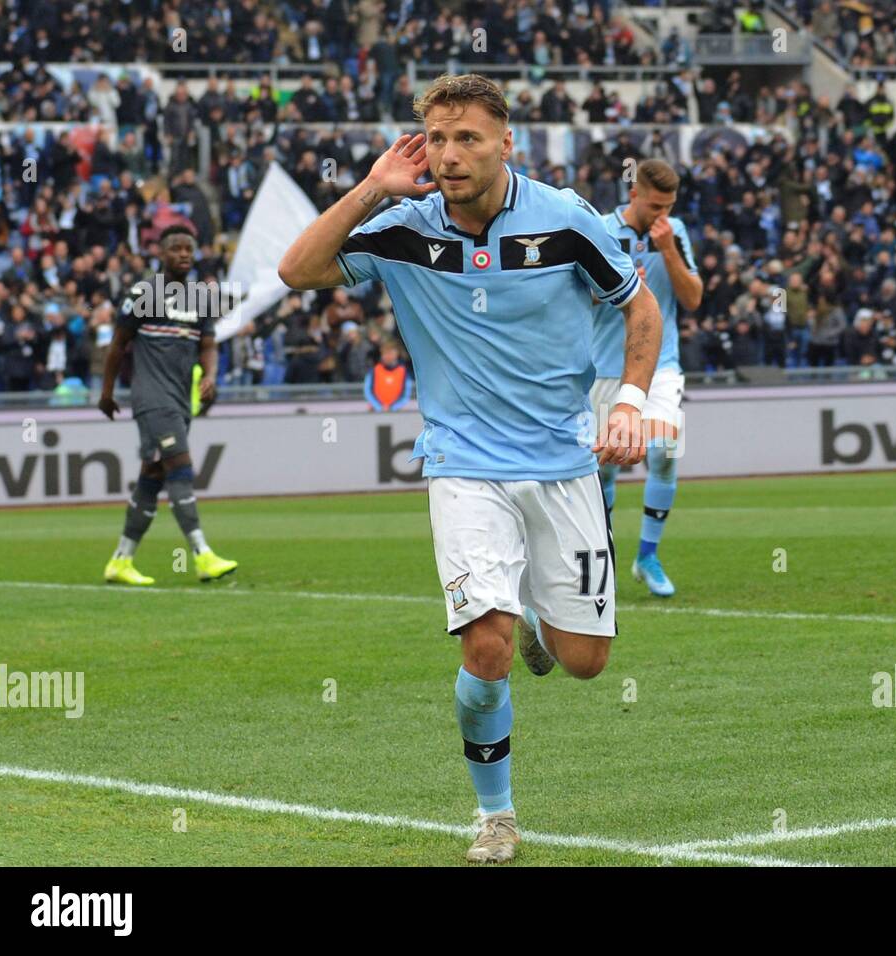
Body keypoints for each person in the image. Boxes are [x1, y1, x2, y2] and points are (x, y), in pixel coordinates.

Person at [276, 74, 662, 864]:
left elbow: (640, 307)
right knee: (486, 644)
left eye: (468, 139)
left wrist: (627, 402)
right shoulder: (403, 227)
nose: (451, 156)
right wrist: (369, 191)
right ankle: (497, 814)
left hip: (563, 462)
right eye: (438, 139)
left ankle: (535, 602)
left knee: (586, 663)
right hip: (463, 465)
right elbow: (297, 271)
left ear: (506, 142)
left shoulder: (567, 221)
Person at [99, 224, 238, 585]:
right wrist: (107, 392)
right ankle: (201, 554)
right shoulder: (145, 293)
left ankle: (121, 560)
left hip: (180, 399)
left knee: (153, 476)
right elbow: (117, 345)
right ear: (161, 254)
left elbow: (208, 345)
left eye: (189, 248)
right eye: (175, 248)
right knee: (181, 467)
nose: (184, 254)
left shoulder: (202, 298)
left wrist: (209, 376)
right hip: (151, 397)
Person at [590, 158, 702, 599]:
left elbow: (692, 298)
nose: (662, 214)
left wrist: (670, 249)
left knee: (665, 449)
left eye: (669, 206)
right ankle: (608, 558)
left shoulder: (675, 232)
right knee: (604, 468)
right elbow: (575, 295)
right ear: (633, 194)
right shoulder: (598, 229)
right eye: (656, 205)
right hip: (603, 367)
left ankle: (648, 556)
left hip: (660, 363)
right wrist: (613, 287)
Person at [363, 339, 412, 411]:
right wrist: (379, 407)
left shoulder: (404, 372)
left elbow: (405, 394)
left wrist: (393, 407)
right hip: (377, 411)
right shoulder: (374, 371)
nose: (388, 356)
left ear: (396, 354)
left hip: (397, 412)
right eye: (385, 353)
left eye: (390, 353)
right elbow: (368, 391)